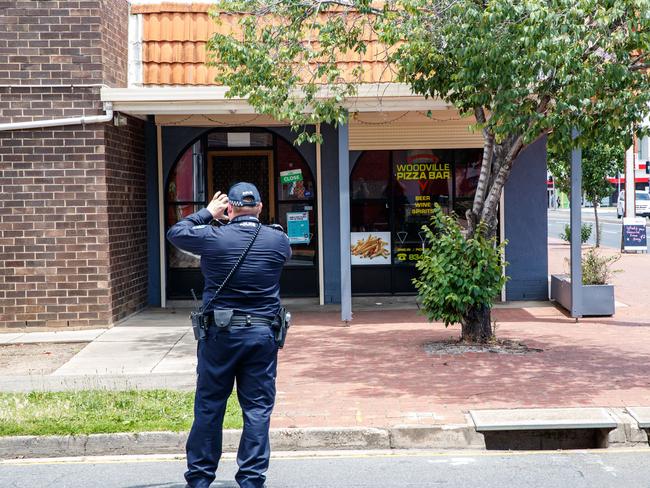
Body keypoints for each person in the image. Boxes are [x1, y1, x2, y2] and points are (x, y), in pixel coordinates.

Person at [166, 182, 291, 488]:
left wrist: (208, 213)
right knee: (258, 409)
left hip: (219, 335)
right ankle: (251, 480)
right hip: (262, 335)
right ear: (260, 208)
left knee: (209, 407)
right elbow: (281, 254)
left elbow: (176, 233)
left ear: (230, 209)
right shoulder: (278, 240)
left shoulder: (213, 236)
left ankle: (199, 479)